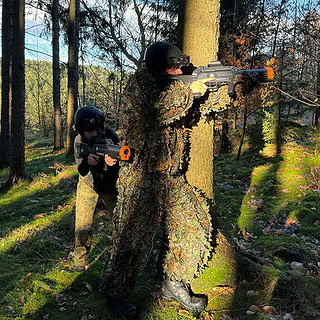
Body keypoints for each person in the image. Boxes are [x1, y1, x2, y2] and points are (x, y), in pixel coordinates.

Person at [100, 42, 214, 317]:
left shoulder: (176, 88)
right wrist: (189, 92)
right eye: (171, 67)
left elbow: (193, 108)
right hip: (140, 178)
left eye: (179, 68)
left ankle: (173, 283)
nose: (177, 72)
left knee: (195, 225)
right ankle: (116, 294)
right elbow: (157, 112)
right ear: (154, 68)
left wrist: (226, 88)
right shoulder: (139, 88)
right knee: (131, 241)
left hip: (171, 178)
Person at [73, 106, 119, 270]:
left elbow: (120, 162)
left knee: (120, 221)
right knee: (82, 224)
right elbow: (82, 170)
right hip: (87, 183)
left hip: (109, 184)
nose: (94, 134)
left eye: (97, 130)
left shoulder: (111, 136)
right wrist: (87, 161)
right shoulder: (79, 141)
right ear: (81, 131)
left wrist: (111, 164)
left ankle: (119, 257)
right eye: (89, 131)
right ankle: (80, 261)